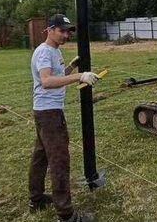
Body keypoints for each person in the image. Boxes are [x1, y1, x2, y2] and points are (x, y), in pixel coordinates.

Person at [28, 14, 100, 222]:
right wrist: (79, 77)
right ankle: (66, 215)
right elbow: (47, 81)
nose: (66, 35)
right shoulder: (44, 52)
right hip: (49, 113)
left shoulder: (54, 51)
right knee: (59, 160)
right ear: (49, 30)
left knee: (40, 156)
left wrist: (72, 67)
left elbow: (57, 74)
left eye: (68, 31)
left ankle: (37, 198)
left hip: (45, 112)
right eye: (62, 30)